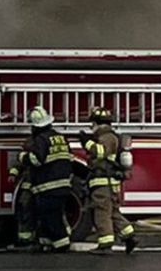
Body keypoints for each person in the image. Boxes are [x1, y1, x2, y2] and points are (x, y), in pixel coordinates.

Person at [79, 107, 136, 253]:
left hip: (103, 183)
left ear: (97, 123)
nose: (92, 127)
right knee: (113, 213)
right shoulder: (110, 136)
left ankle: (105, 244)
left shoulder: (107, 137)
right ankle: (129, 236)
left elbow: (100, 152)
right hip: (109, 183)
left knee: (102, 214)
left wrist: (86, 142)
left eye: (92, 123)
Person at [22, 106, 74, 252]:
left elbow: (36, 160)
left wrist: (23, 157)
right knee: (51, 215)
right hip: (63, 185)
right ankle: (46, 242)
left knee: (51, 217)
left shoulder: (41, 140)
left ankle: (62, 244)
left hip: (48, 186)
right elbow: (70, 158)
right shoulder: (61, 137)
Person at [7, 152, 36, 248]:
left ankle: (30, 238)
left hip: (39, 188)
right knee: (24, 210)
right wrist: (13, 174)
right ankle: (25, 238)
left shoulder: (41, 149)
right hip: (28, 188)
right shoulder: (30, 150)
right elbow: (18, 164)